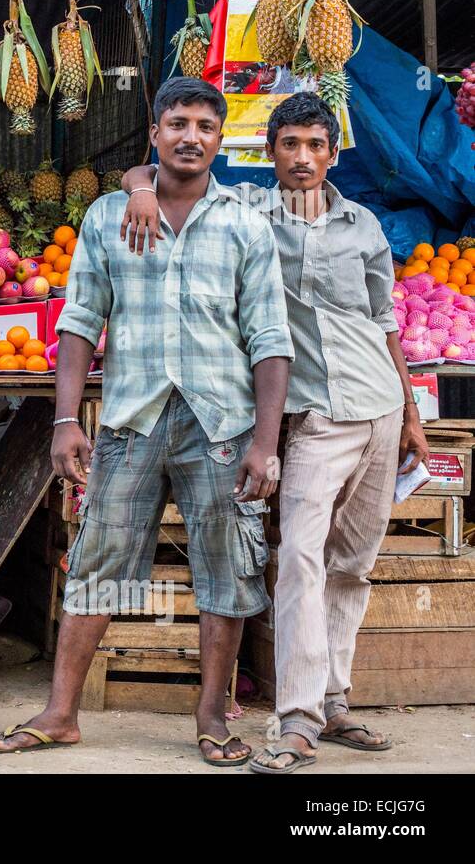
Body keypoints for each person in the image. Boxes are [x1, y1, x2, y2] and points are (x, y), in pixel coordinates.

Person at [0, 77, 293, 765]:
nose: (191, 137)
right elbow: (80, 322)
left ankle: (213, 718)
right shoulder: (107, 217)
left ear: (218, 140)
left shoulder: (246, 223)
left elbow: (270, 338)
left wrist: (265, 444)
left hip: (222, 424)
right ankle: (61, 713)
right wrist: (66, 419)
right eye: (177, 123)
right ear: (155, 134)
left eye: (205, 127)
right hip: (130, 421)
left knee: (227, 571)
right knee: (99, 564)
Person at [119, 91, 429, 773]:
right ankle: (296, 722)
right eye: (289, 144)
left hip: (376, 407)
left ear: (333, 153)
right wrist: (140, 184)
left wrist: (409, 415)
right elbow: (164, 172)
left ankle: (335, 698)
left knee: (352, 566)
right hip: (313, 415)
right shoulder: (242, 213)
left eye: (316, 145)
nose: (302, 157)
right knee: (299, 560)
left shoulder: (364, 227)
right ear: (270, 150)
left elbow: (385, 324)